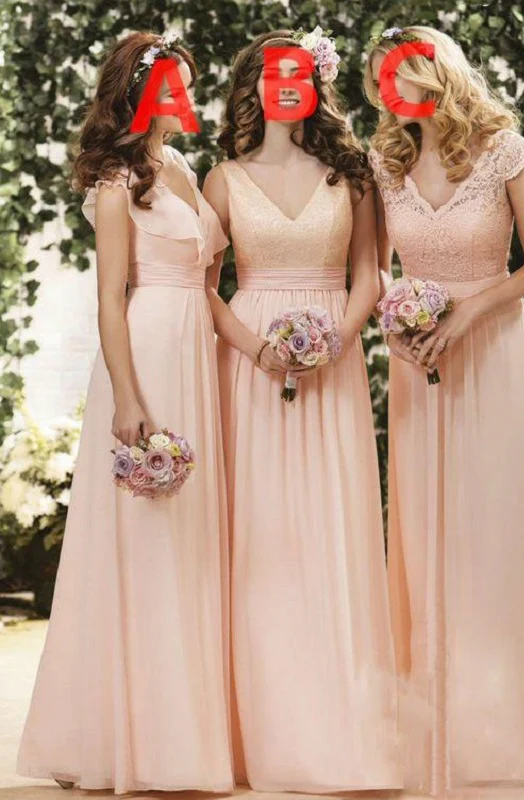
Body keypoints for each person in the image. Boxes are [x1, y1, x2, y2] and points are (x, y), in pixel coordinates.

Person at [365, 24, 524, 795]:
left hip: (496, 356)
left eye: (403, 72)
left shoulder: (504, 149)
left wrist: (465, 314)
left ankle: (508, 732)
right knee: (426, 535)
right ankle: (434, 733)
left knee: (497, 535)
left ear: (438, 71)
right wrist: (397, 325)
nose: (393, 89)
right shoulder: (385, 160)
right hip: (417, 361)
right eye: (381, 79)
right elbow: (376, 268)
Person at [16, 32, 234, 794]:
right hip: (147, 353)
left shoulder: (180, 167)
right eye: (172, 88)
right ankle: (136, 741)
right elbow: (111, 299)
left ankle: (184, 730)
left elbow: (208, 271)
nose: (184, 99)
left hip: (194, 352)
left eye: (187, 87)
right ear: (138, 95)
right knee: (147, 539)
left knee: (186, 539)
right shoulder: (116, 182)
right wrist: (130, 396)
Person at [202, 27, 402, 794]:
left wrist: (337, 340)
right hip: (250, 367)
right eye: (273, 73)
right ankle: (257, 735)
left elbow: (369, 275)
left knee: (332, 531)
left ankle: (337, 729)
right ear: (253, 86)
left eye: (299, 72)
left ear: (316, 83)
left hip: (333, 365)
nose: (287, 84)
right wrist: (258, 351)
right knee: (262, 541)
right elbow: (203, 290)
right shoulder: (223, 179)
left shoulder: (350, 173)